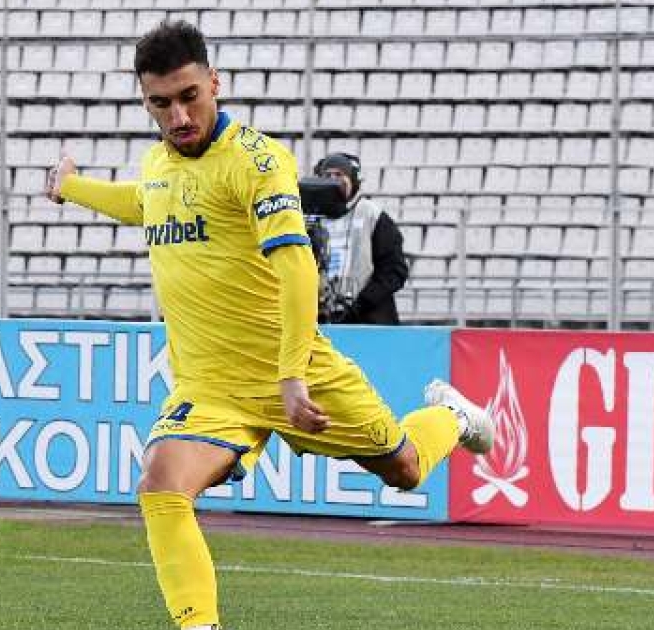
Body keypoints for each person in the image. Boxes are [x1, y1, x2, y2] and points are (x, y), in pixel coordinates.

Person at [44, 20, 494, 630]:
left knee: (405, 470)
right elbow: (144, 201)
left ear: (215, 83)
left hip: (295, 370)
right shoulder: (158, 163)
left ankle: (455, 418)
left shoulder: (257, 161)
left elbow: (297, 266)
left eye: (189, 96)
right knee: (161, 484)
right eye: (161, 103)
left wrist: (290, 375)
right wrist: (72, 187)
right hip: (210, 388)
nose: (178, 116)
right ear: (145, 101)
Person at [311, 152, 409, 324]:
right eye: (327, 176)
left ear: (353, 181)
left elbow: (394, 270)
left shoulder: (372, 215)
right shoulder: (310, 218)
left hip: (368, 320)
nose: (333, 181)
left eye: (339, 175)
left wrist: (362, 304)